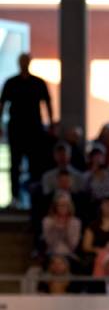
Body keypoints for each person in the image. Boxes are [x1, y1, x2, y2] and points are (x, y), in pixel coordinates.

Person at [0, 53, 54, 206]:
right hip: (16, 129)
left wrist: (51, 124)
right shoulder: (11, 82)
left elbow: (48, 104)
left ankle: (33, 197)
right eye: (22, 61)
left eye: (26, 61)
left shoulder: (38, 83)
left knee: (35, 164)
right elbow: (2, 105)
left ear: (30, 63)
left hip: (34, 129)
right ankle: (15, 197)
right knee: (15, 164)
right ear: (19, 63)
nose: (24, 64)